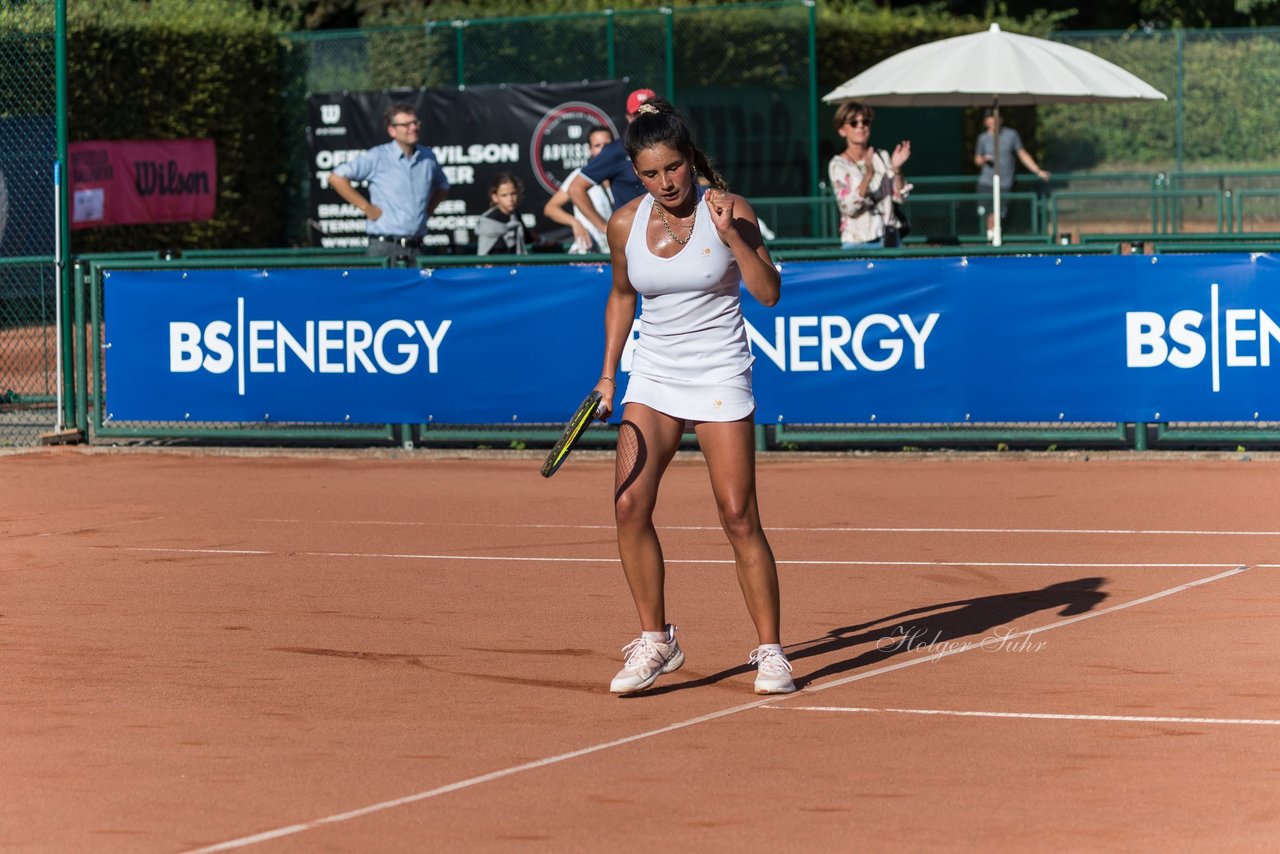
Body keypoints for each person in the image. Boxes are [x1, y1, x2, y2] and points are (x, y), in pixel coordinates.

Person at [592, 98, 792, 696]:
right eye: (649, 174)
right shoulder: (624, 223)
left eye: (673, 168)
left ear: (689, 158)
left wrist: (732, 234)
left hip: (720, 376)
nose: (664, 182)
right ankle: (657, 641)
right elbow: (622, 295)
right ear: (635, 172)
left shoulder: (729, 209)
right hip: (651, 378)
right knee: (629, 506)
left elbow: (769, 292)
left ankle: (772, 652)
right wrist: (608, 376)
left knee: (738, 515)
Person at [329, 102, 449, 261]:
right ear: (392, 130)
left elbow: (443, 186)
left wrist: (427, 212)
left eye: (415, 123)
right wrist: (366, 207)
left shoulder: (428, 157)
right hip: (385, 248)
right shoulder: (378, 156)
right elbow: (336, 177)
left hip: (417, 247)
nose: (413, 128)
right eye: (406, 124)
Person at [567, 88, 655, 246]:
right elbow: (575, 189)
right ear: (629, 117)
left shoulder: (674, 147)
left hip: (673, 233)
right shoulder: (616, 151)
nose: (643, 119)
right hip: (635, 240)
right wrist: (604, 227)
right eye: (637, 114)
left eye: (649, 113)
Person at [827, 101, 911, 250]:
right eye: (853, 122)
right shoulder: (838, 165)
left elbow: (900, 197)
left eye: (865, 121)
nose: (861, 126)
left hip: (890, 239)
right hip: (858, 243)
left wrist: (897, 169)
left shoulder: (882, 156)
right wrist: (868, 175)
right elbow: (848, 207)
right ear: (842, 130)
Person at [974, 108, 1049, 239]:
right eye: (989, 118)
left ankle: (995, 238)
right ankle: (991, 238)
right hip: (986, 182)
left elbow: (1022, 153)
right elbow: (977, 159)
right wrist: (984, 159)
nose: (992, 121)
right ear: (985, 121)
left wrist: (1038, 171)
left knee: (1001, 213)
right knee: (989, 214)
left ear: (1000, 119)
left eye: (995, 117)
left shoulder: (1011, 135)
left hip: (1005, 183)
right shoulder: (982, 138)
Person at [541, 125, 614, 254]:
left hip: (616, 251)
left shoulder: (625, 175)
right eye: (597, 146)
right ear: (590, 149)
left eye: (607, 144)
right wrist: (575, 223)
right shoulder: (580, 176)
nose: (603, 150)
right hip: (589, 252)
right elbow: (550, 208)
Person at [475, 172, 536, 255]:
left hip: (515, 266)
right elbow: (484, 254)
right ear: (495, 197)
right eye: (504, 195)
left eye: (513, 194)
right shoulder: (489, 221)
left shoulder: (515, 215)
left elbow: (527, 237)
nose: (510, 199)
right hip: (495, 266)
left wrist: (543, 240)